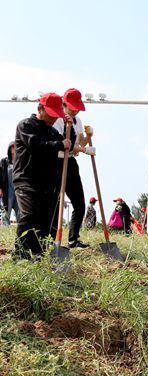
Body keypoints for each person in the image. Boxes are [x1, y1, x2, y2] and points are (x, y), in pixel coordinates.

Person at [13, 93, 71, 259]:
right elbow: (35, 145)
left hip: (47, 183)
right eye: (51, 114)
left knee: (46, 221)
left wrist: (69, 127)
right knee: (30, 215)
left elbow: (68, 144)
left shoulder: (53, 132)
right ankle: (21, 255)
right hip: (26, 180)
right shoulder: (26, 126)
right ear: (40, 109)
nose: (54, 118)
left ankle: (39, 255)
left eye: (56, 115)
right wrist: (60, 144)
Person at [52, 88, 95, 249]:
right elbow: (64, 145)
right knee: (55, 203)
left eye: (77, 107)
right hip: (56, 162)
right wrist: (84, 150)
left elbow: (78, 145)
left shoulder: (78, 121)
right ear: (64, 104)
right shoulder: (57, 120)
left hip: (70, 163)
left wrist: (88, 137)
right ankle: (51, 240)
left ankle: (73, 239)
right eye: (72, 107)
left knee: (79, 203)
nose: (76, 110)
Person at [0, 141, 20, 225]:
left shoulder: (20, 161)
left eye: (15, 147)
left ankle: (21, 231)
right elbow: (0, 176)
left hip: (18, 191)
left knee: (20, 213)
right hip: (7, 191)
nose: (14, 149)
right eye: (12, 147)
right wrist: (0, 189)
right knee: (6, 212)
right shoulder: (4, 161)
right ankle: (6, 230)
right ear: (9, 149)